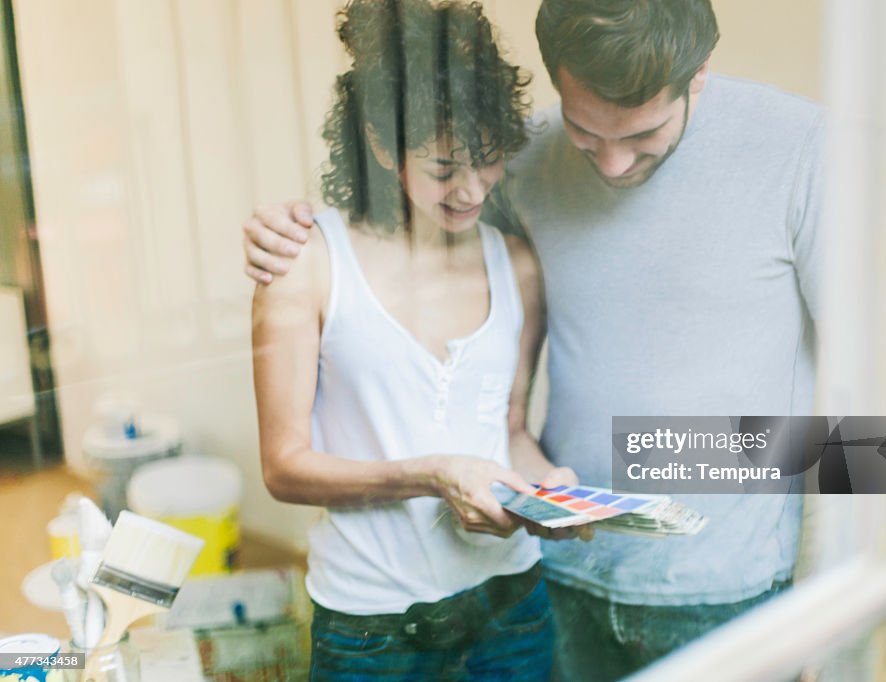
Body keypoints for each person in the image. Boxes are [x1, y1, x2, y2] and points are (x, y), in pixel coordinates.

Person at [245, 1, 827, 679]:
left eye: (644, 135)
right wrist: (284, 226)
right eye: (585, 131)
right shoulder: (521, 154)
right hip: (561, 578)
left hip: (726, 592)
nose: (611, 164)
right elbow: (397, 247)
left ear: (697, 75)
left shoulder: (803, 148)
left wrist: (837, 574)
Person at [251, 1, 582, 679]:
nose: (471, 189)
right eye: (443, 168)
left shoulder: (515, 264)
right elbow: (284, 467)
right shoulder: (307, 263)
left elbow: (509, 427)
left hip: (512, 608)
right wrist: (431, 475)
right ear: (380, 144)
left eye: (489, 162)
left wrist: (548, 487)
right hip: (371, 630)